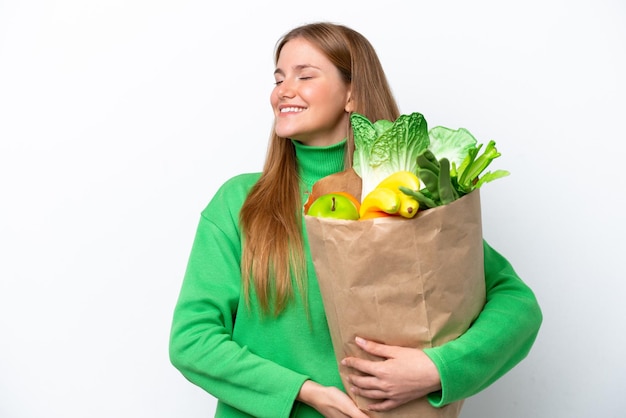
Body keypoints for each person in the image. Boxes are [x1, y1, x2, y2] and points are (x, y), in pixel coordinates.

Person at [169, 22, 542, 418]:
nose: (283, 90)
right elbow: (192, 341)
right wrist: (307, 392)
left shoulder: (407, 198)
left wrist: (438, 368)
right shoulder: (241, 201)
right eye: (279, 78)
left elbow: (518, 306)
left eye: (304, 75)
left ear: (351, 94)